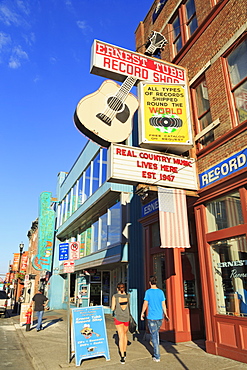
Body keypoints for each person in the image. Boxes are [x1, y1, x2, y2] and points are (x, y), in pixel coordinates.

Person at [140, 275, 169, 362]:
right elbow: (163, 304)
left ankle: (157, 355)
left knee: (155, 336)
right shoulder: (161, 292)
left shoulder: (148, 292)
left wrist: (142, 313)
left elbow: (145, 304)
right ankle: (157, 353)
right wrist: (166, 314)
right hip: (160, 317)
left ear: (149, 283)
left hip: (151, 317)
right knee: (156, 334)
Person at [111, 282, 130, 365]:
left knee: (121, 336)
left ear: (117, 288)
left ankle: (122, 356)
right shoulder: (128, 296)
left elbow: (112, 308)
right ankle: (125, 351)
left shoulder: (115, 296)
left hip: (118, 318)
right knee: (125, 335)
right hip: (126, 317)